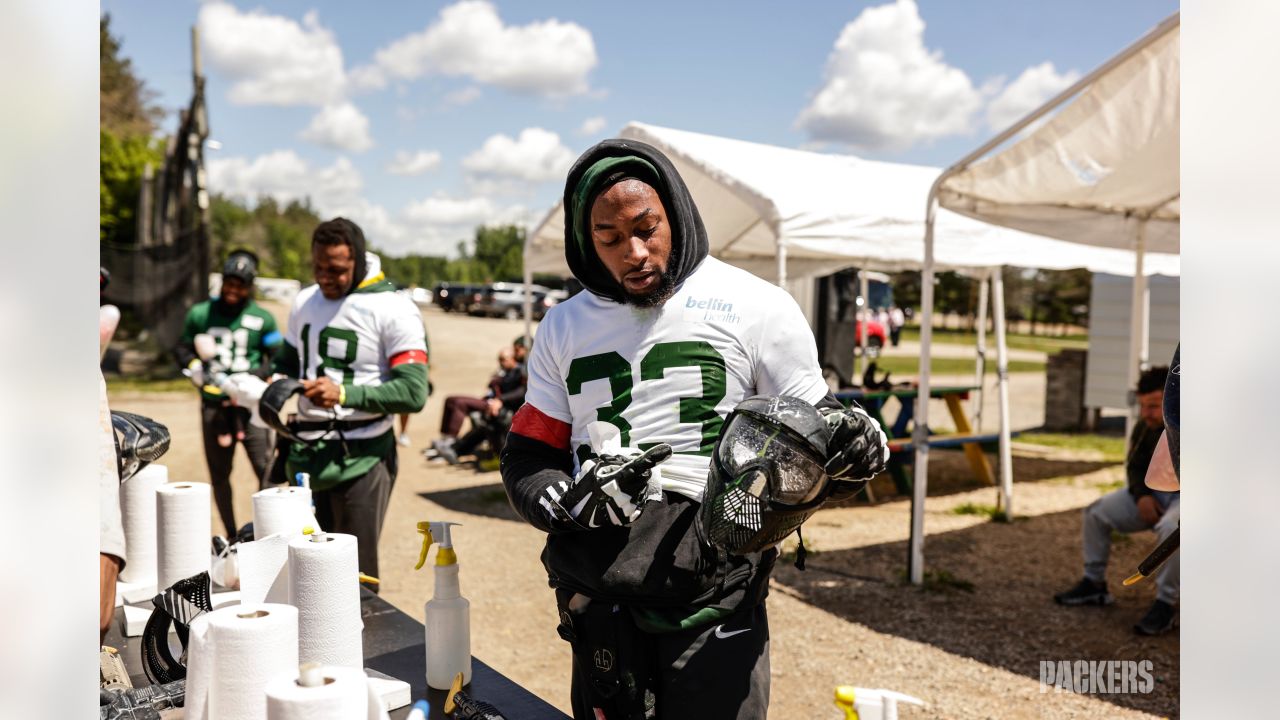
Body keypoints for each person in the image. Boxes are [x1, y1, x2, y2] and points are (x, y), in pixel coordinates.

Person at [500, 139, 888, 719]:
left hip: (716, 588)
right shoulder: (563, 324)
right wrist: (561, 503)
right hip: (601, 591)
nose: (634, 252)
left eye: (647, 227)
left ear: (676, 214)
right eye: (609, 238)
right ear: (586, 242)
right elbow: (530, 452)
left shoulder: (758, 306)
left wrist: (857, 448)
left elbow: (818, 436)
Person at [272, 218, 428, 589]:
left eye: (337, 270)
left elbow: (413, 393)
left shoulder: (394, 307)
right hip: (306, 453)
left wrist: (344, 394)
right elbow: (286, 364)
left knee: (355, 581)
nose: (326, 277)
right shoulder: (305, 300)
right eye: (319, 268)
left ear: (358, 262)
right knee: (306, 572)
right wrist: (271, 384)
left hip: (363, 455)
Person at [1054, 366, 1178, 635]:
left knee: (1172, 530)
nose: (1147, 413)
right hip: (1152, 494)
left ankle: (1165, 604)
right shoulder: (1145, 427)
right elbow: (1134, 466)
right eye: (1144, 406)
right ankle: (1094, 584)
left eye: (1155, 406)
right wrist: (1142, 496)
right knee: (1095, 513)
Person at [173, 250, 281, 535]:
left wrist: (254, 376)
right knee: (219, 474)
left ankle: (266, 533)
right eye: (229, 283)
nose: (233, 290)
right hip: (215, 402)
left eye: (240, 285)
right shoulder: (200, 313)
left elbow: (277, 356)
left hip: (250, 405)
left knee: (267, 469)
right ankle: (232, 534)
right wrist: (195, 366)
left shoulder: (263, 318)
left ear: (250, 286)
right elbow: (182, 347)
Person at [433, 344, 527, 465]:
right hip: (491, 402)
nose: (501, 362)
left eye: (504, 359)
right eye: (499, 359)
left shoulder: (521, 371)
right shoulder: (502, 372)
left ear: (512, 358)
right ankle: (447, 440)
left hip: (503, 406)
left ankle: (453, 445)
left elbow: (522, 391)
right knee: (451, 400)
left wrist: (500, 400)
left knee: (460, 403)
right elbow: (492, 389)